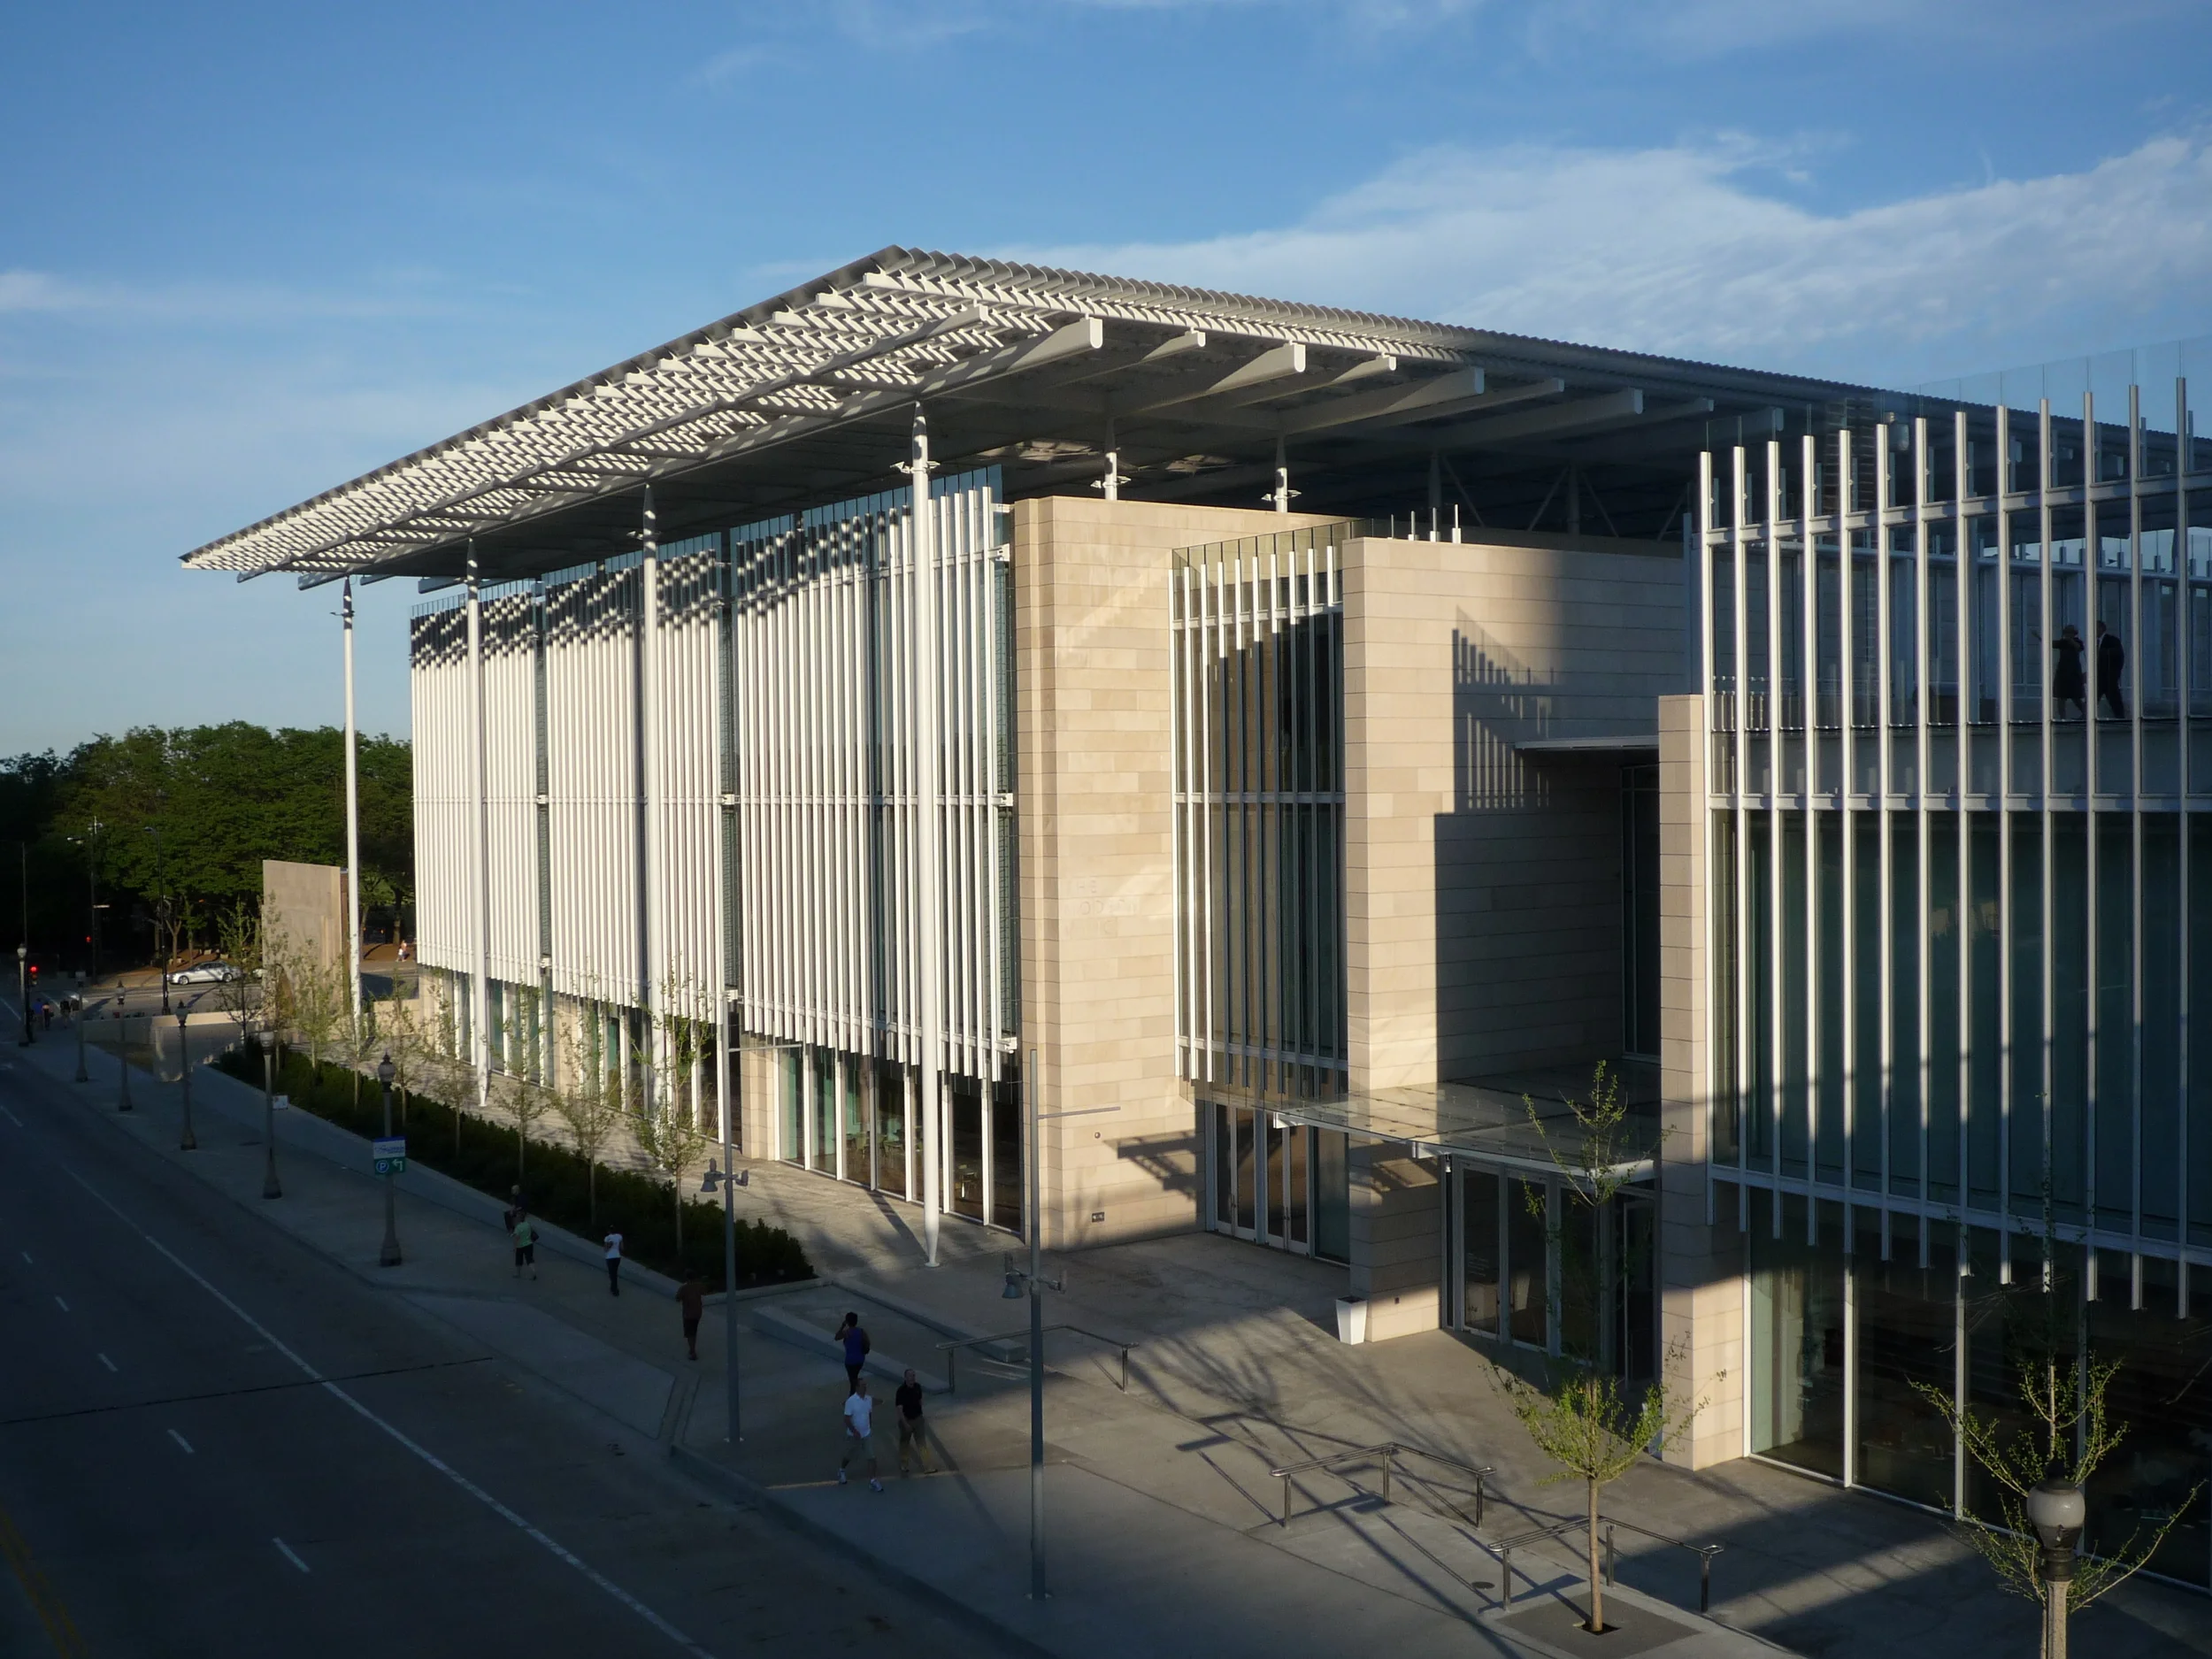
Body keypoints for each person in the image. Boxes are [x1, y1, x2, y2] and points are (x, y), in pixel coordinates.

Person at [837, 1379, 883, 1492]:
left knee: (872, 1457)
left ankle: (873, 1480)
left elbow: (869, 1413)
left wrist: (869, 1427)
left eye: (865, 1385)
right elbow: (847, 1419)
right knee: (849, 1455)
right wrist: (855, 1431)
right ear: (857, 1387)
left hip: (866, 1434)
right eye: (862, 1386)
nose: (865, 1387)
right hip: (854, 1436)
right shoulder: (851, 1401)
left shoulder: (868, 1399)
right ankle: (842, 1470)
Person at [894, 1368, 934, 1477]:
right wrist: (905, 1423)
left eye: (913, 1375)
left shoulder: (918, 1387)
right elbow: (899, 1409)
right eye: (910, 1376)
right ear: (905, 1377)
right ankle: (904, 1464)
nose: (913, 1378)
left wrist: (921, 1415)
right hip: (906, 1420)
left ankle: (928, 1466)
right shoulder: (901, 1391)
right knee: (905, 1444)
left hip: (918, 1419)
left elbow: (920, 1401)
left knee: (922, 1443)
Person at [2051, 624, 2087, 718]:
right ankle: (2062, 718)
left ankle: (2086, 714)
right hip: (2062, 673)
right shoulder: (2063, 642)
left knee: (2076, 698)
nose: (2067, 634)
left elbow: (2079, 648)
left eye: (2069, 632)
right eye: (2066, 632)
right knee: (2061, 698)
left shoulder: (2077, 641)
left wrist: (2071, 640)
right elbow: (2051, 644)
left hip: (2074, 673)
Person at [2097, 620, 2127, 719]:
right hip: (2099, 676)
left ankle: (2120, 716)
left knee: (2114, 697)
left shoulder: (2112, 640)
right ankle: (2085, 715)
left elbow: (2118, 656)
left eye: (2096, 627)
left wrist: (2115, 673)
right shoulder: (2095, 641)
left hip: (2109, 676)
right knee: (2094, 696)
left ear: (2102, 628)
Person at [834, 1311, 870, 1389]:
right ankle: (857, 1391)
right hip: (860, 1359)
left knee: (852, 1381)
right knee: (854, 1379)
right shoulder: (862, 1332)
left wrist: (842, 1326)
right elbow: (867, 1343)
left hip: (850, 1361)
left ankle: (855, 1395)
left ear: (847, 1321)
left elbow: (836, 1337)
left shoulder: (846, 1333)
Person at [678, 1274, 705, 1361]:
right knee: (694, 1330)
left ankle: (692, 1352)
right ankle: (692, 1349)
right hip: (697, 1312)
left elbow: (677, 1298)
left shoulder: (684, 1288)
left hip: (688, 1314)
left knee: (690, 1333)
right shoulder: (699, 1286)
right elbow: (704, 1292)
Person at [511, 1210, 538, 1279]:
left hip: (520, 1246)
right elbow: (532, 1231)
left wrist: (515, 1247)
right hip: (529, 1244)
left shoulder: (518, 1227)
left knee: (519, 1260)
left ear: (519, 1219)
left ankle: (518, 1273)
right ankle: (533, 1272)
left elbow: (517, 1238)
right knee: (529, 1259)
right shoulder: (528, 1224)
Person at [603, 1228, 625, 1295]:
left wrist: (609, 1245)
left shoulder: (607, 1238)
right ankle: (613, 1288)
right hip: (617, 1257)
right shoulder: (619, 1236)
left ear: (609, 1231)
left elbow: (605, 1250)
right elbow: (622, 1248)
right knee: (614, 1273)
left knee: (612, 1274)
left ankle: (615, 1290)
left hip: (610, 1258)